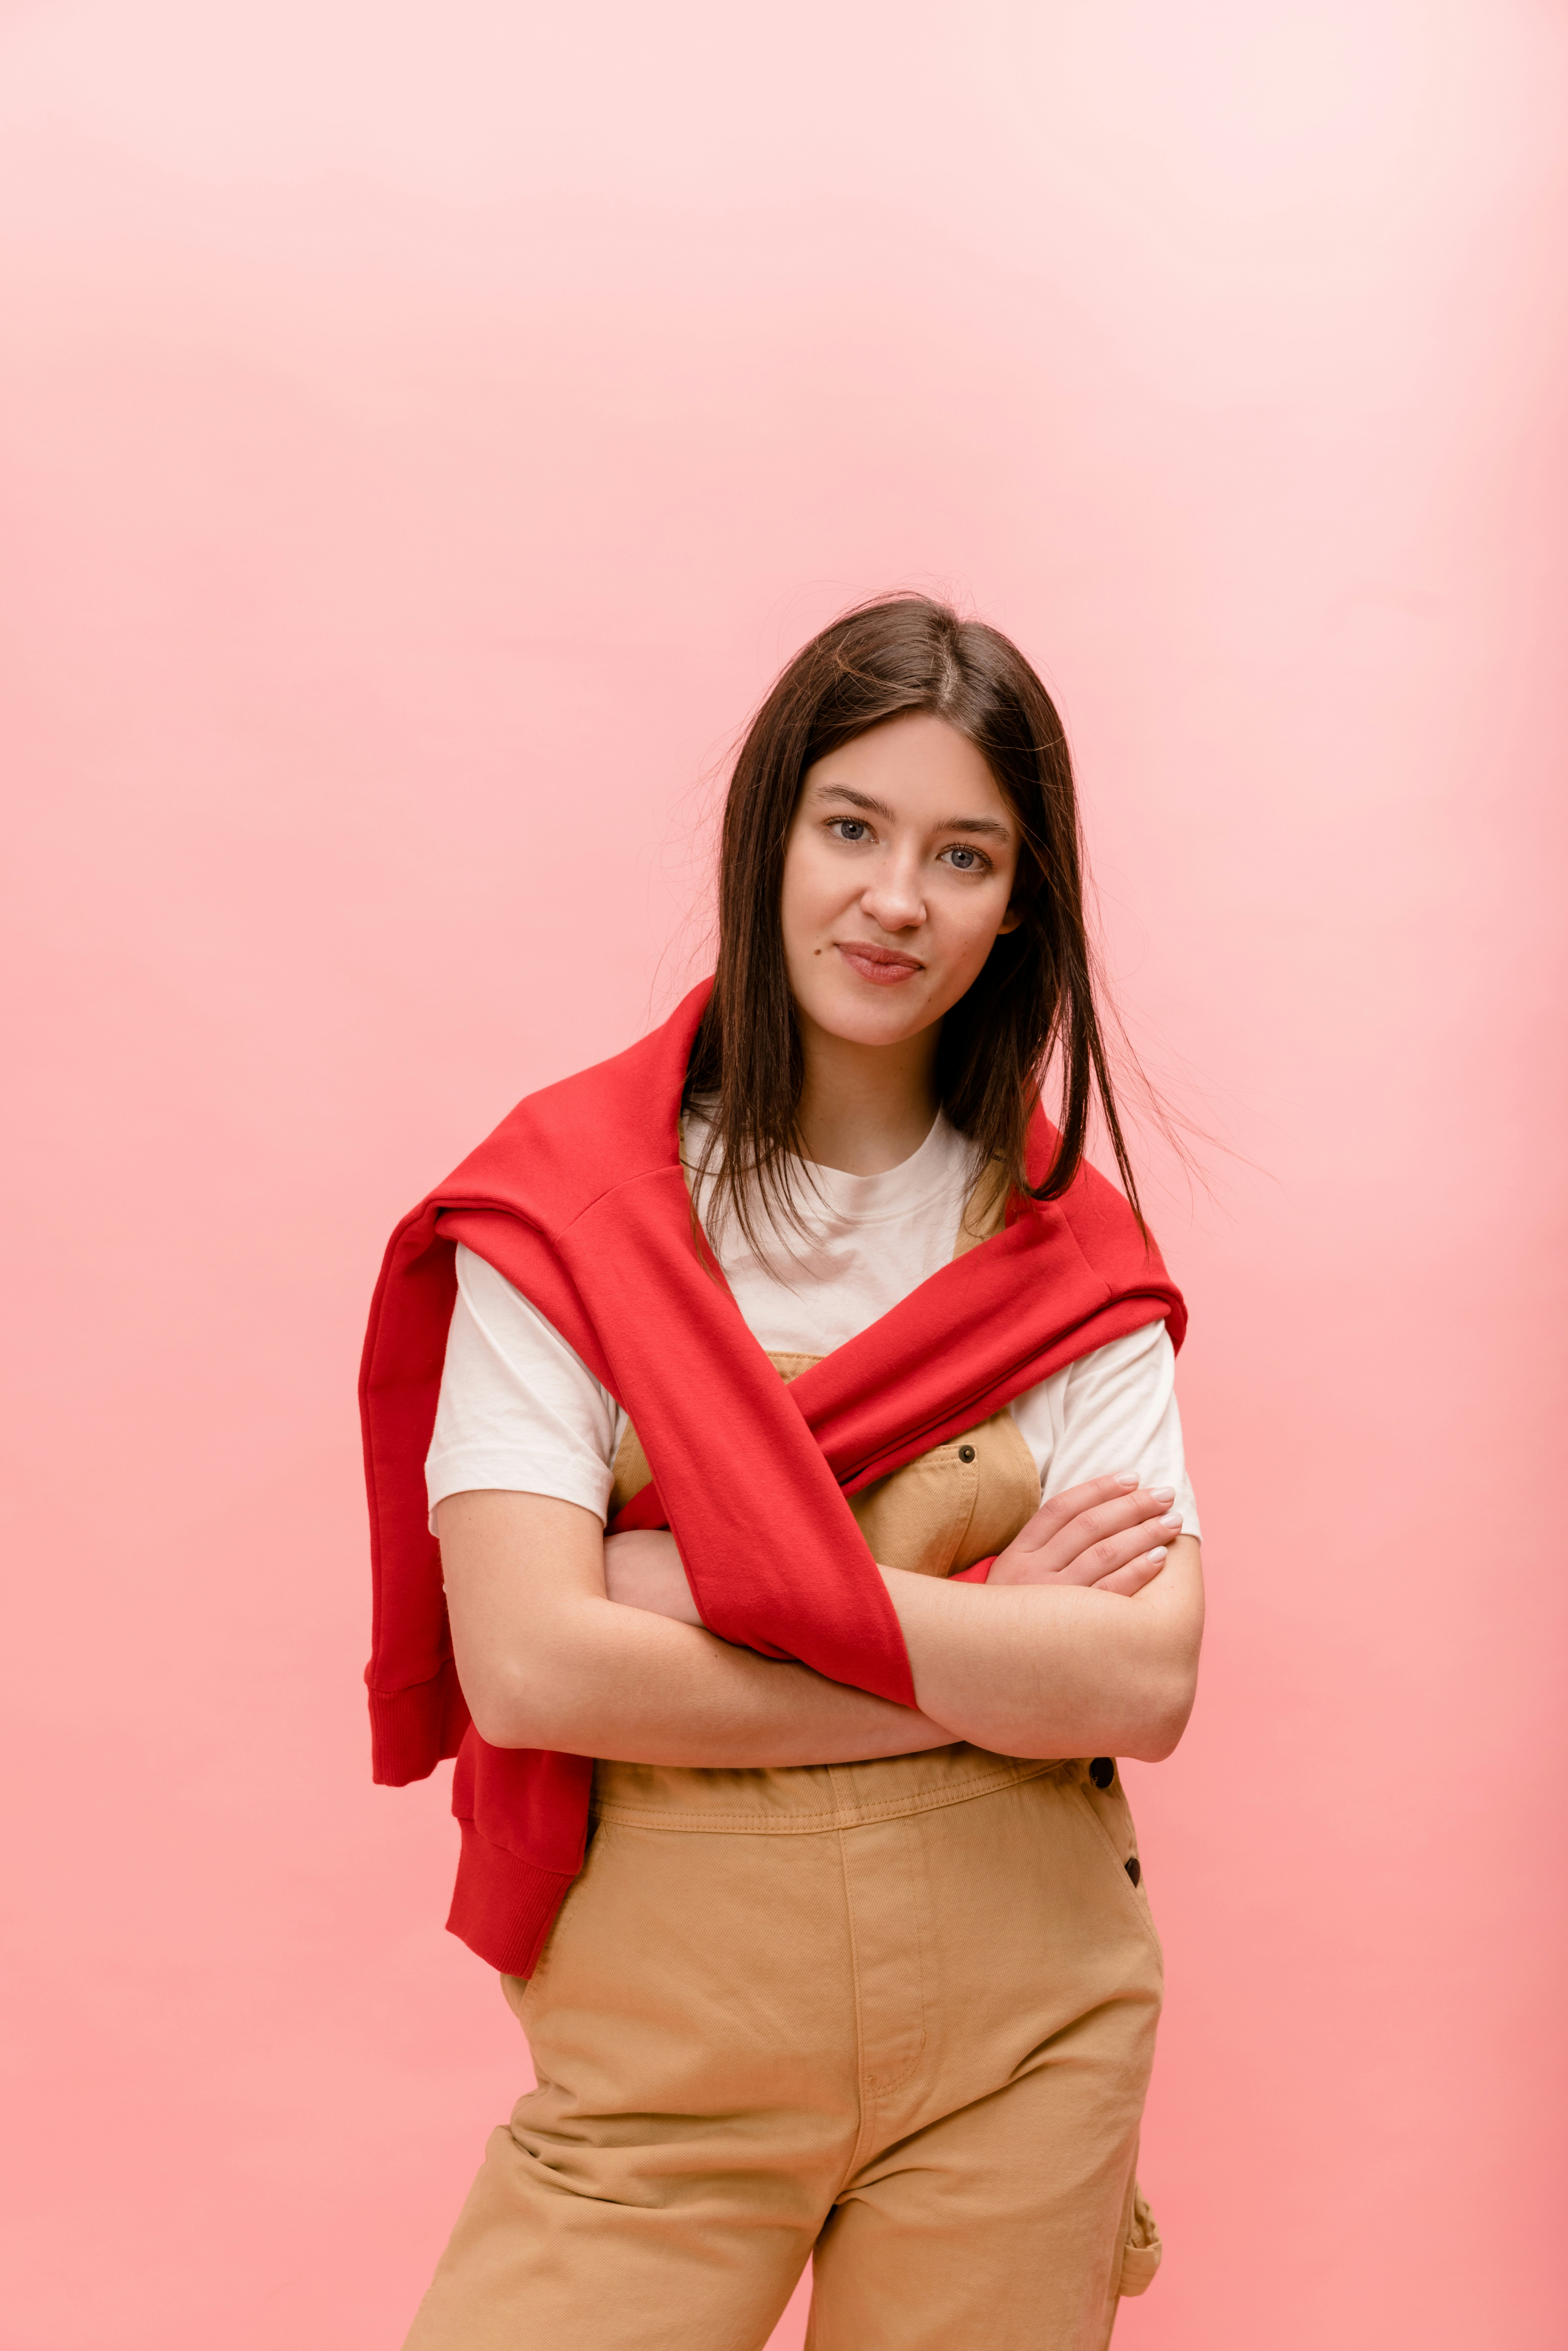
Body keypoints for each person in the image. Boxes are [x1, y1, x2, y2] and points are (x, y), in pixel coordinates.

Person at [359, 594, 1204, 2351]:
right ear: (771, 835)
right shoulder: (562, 1213)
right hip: (666, 2063)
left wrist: (688, 1589)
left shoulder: (1069, 1252)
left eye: (963, 854)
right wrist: (983, 1661)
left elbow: (1140, 1675)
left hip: (1025, 2044)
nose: (896, 899)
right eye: (852, 828)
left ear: (1015, 906)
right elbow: (530, 1667)